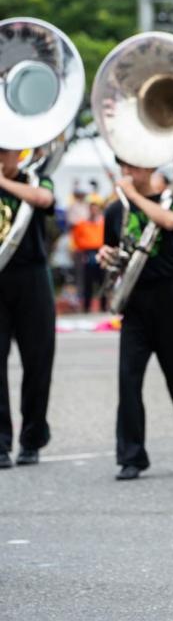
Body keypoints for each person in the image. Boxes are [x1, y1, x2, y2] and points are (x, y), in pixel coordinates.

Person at [97, 158, 173, 481]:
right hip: (134, 299)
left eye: (134, 166)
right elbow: (111, 251)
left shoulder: (167, 199)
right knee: (128, 378)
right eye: (124, 167)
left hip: (167, 297)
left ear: (149, 167)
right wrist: (105, 257)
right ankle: (131, 456)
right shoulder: (113, 211)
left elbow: (170, 221)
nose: (128, 173)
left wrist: (132, 194)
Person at [0, 147, 56, 469]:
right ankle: (0, 443)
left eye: (3, 152)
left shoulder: (36, 178)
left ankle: (32, 439)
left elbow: (44, 200)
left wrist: (4, 182)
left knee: (38, 362)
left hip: (32, 277)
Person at [73, 194, 107, 313]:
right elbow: (76, 240)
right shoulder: (82, 224)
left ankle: (104, 306)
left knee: (103, 280)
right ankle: (86, 307)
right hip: (87, 254)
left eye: (96, 207)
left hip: (101, 253)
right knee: (87, 281)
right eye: (92, 207)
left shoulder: (103, 223)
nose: (94, 209)